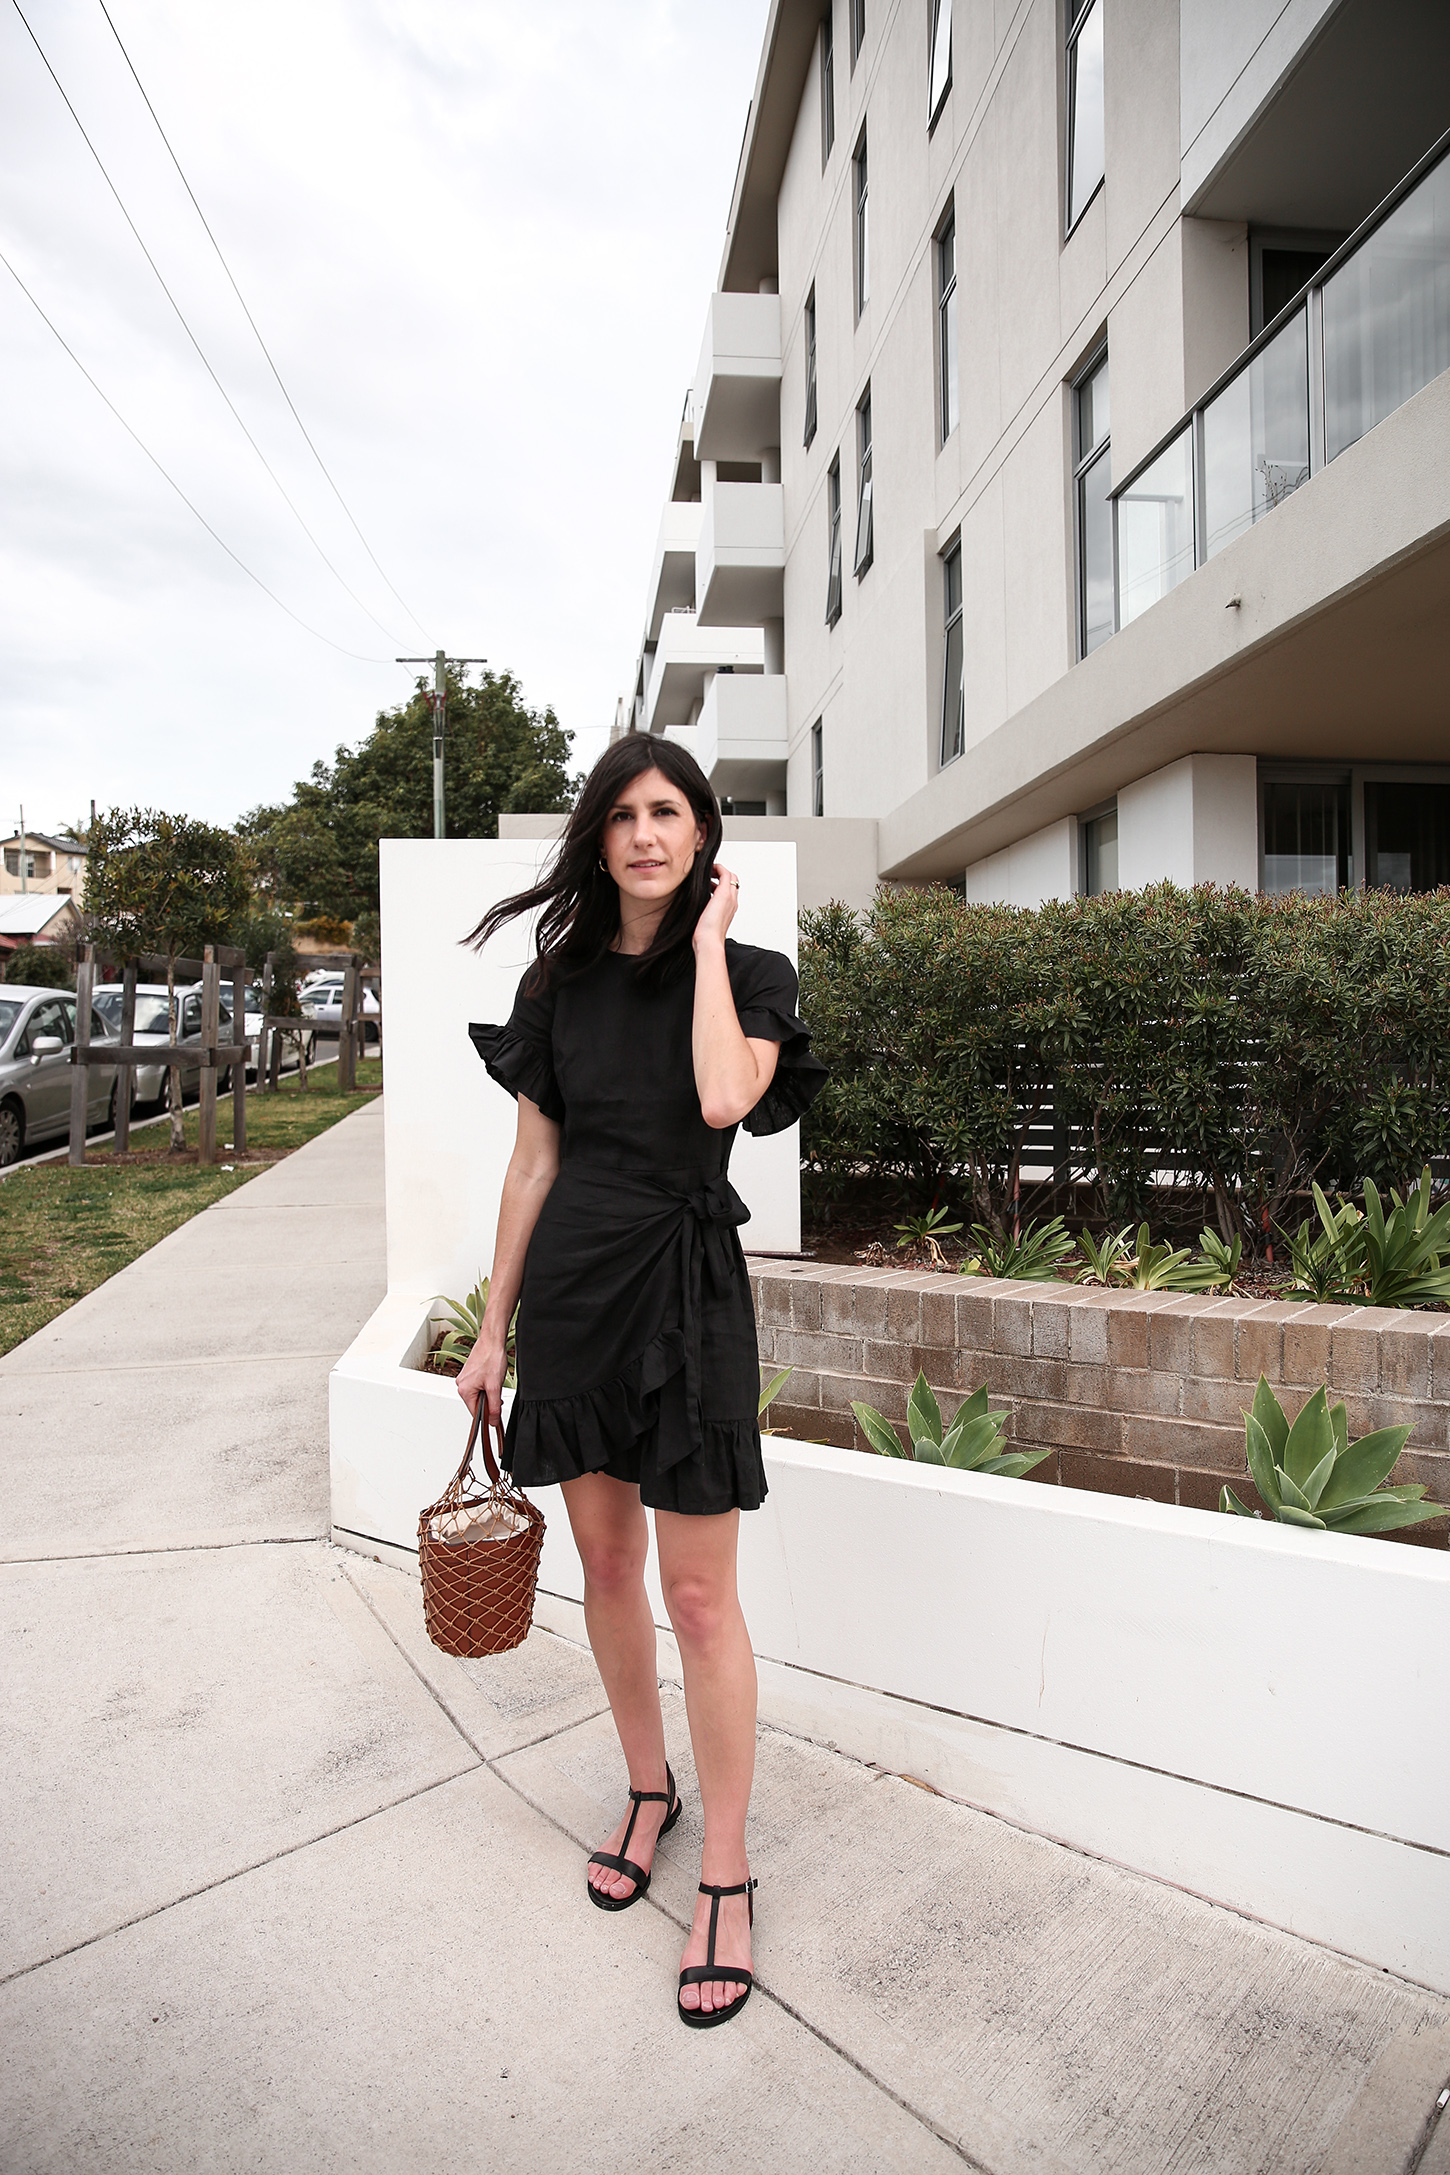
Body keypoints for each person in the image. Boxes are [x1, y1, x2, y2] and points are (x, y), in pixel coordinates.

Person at [457, 737, 825, 2029]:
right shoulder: (556, 983)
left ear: (702, 831)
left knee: (697, 1596)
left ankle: (723, 1868)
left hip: (687, 1286)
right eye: (620, 815)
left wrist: (714, 941)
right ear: (595, 839)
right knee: (607, 1572)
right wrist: (491, 1331)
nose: (643, 834)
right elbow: (530, 1166)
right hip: (573, 1289)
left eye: (666, 811)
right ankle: (645, 1785)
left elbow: (725, 1095)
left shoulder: (754, 978)